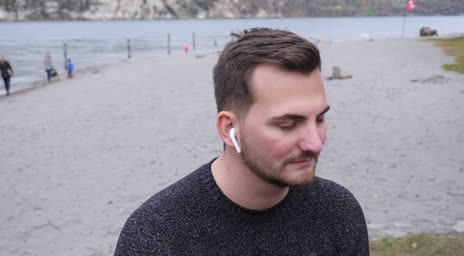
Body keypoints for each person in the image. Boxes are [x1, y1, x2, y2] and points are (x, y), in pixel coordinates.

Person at [114, 28, 369, 255]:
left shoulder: (338, 213)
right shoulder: (155, 237)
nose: (315, 143)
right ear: (228, 129)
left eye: (320, 119)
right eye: (288, 124)